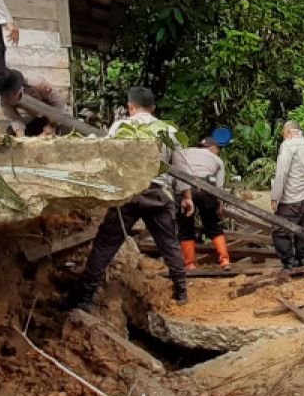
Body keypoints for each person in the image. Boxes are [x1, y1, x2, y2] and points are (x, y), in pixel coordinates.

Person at [67, 87, 193, 309]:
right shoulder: (168, 131)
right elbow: (180, 168)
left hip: (128, 195)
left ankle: (84, 297)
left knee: (105, 244)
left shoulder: (120, 127)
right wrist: (187, 197)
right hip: (157, 193)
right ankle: (181, 292)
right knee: (169, 244)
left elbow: (108, 159)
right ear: (153, 108)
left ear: (130, 107)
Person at [270, 120, 304, 270]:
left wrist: (275, 197)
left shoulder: (287, 146)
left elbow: (282, 173)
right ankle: (303, 261)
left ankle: (289, 262)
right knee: (303, 231)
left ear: (287, 133)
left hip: (292, 198)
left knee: (280, 230)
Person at [177, 138, 230, 271]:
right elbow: (219, 186)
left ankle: (189, 264)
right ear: (213, 148)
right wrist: (219, 205)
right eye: (217, 150)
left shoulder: (184, 152)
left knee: (186, 226)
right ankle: (225, 261)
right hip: (207, 188)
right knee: (212, 225)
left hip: (186, 187)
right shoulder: (216, 159)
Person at [0, 71, 67, 136]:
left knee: (64, 131)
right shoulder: (3, 99)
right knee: (11, 132)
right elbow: (15, 119)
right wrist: (21, 138)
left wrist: (52, 125)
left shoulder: (38, 85)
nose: (11, 98)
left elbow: (59, 101)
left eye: (14, 93)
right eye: (7, 94)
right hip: (36, 118)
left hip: (54, 116)